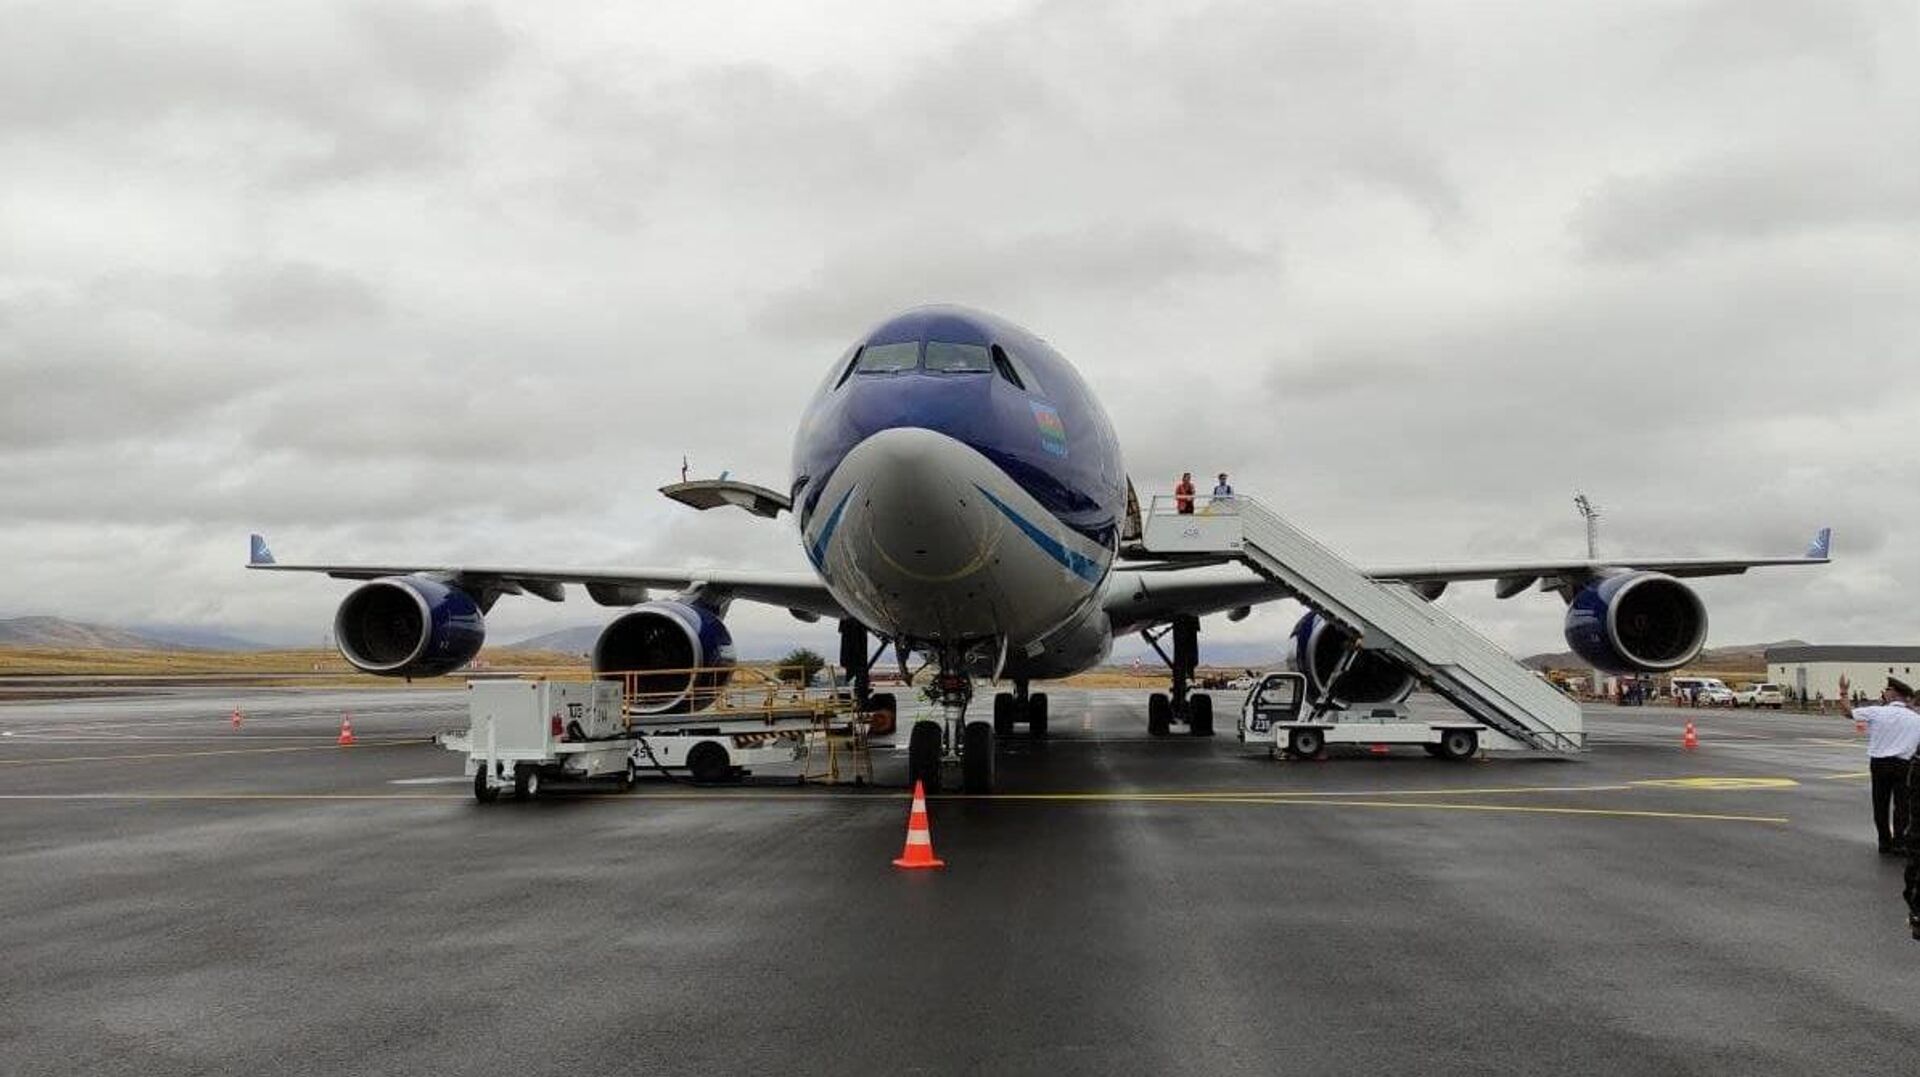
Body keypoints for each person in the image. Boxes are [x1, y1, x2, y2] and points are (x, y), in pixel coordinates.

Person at [1852, 677, 1920, 855]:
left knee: (1880, 804)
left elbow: (1847, 712)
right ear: (1906, 697)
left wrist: (1843, 692)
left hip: (1879, 764)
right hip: (1903, 765)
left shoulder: (1876, 712)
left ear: (1893, 694)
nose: (1884, 693)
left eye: (1887, 690)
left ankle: (1884, 842)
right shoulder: (1915, 718)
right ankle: (1899, 842)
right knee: (1902, 805)